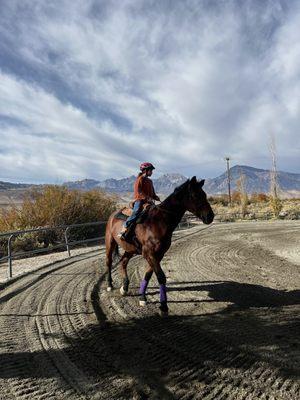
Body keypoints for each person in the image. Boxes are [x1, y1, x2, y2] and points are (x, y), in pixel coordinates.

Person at [118, 162, 160, 239]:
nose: (152, 172)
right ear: (145, 170)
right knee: (136, 212)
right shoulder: (139, 179)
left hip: (149, 202)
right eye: (151, 170)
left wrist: (156, 197)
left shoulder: (150, 181)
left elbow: (153, 193)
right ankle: (124, 228)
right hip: (140, 200)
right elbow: (139, 191)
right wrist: (147, 198)